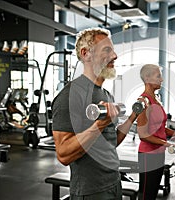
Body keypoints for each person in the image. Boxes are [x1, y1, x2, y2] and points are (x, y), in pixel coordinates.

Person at [52, 27, 138, 200]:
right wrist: (99, 124)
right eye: (107, 50)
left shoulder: (106, 95)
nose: (114, 56)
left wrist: (133, 116)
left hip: (114, 183)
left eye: (113, 50)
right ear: (86, 54)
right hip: (90, 191)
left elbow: (110, 142)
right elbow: (63, 154)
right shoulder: (70, 96)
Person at [136, 64, 175, 200]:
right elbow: (143, 135)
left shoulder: (156, 100)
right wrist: (167, 144)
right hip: (148, 155)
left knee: (153, 194)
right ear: (147, 78)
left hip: (158, 154)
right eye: (158, 76)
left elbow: (160, 128)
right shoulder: (143, 101)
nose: (162, 79)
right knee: (146, 195)